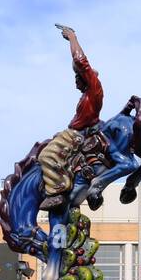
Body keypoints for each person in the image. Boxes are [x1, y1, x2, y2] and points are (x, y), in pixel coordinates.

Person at [38, 26, 105, 212]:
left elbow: (81, 61)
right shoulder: (86, 95)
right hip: (74, 131)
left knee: (47, 156)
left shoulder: (93, 89)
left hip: (78, 134)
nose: (75, 80)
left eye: (78, 77)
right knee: (41, 148)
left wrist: (72, 38)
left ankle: (57, 190)